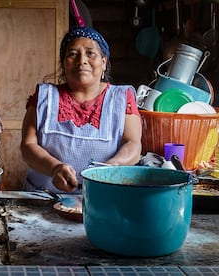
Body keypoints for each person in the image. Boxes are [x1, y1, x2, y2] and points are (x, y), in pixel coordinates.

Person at [20, 26, 142, 193]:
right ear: (63, 64)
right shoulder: (43, 96)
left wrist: (111, 167)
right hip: (43, 199)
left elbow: (133, 144)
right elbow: (28, 146)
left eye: (90, 53)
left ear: (104, 62)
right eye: (72, 54)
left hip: (103, 198)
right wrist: (54, 168)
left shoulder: (122, 98)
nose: (81, 60)